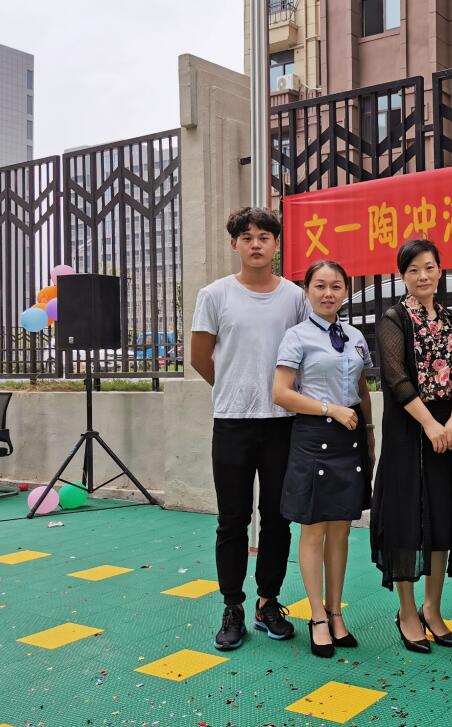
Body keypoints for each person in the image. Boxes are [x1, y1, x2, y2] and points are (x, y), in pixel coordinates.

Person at [190, 207, 308, 651]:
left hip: (283, 424)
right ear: (234, 244)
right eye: (247, 237)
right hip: (233, 424)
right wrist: (233, 389)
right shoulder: (214, 295)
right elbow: (200, 356)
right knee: (233, 520)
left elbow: (306, 353)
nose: (255, 244)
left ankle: (268, 602)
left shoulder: (295, 297)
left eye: (264, 237)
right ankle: (233, 606)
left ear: (276, 244)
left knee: (277, 519)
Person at [370, 238, 452, 654]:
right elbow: (396, 378)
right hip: (408, 430)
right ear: (403, 276)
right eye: (413, 270)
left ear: (440, 270)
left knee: (442, 515)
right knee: (406, 517)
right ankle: (407, 612)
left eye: (429, 267)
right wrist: (430, 424)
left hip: (448, 430)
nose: (422, 276)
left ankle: (433, 607)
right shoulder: (393, 319)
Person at [271, 260, 374, 658]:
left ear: (346, 290)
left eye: (336, 286)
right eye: (320, 286)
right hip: (315, 436)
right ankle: (316, 616)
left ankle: (335, 612)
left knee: (341, 529)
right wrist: (331, 410)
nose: (328, 293)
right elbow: (281, 393)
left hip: (350, 435)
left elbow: (362, 388)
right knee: (313, 529)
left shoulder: (355, 336)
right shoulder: (296, 337)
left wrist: (369, 433)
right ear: (307, 291)